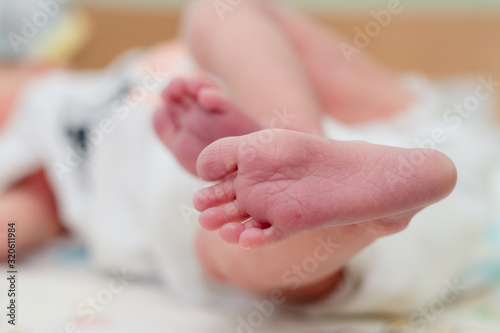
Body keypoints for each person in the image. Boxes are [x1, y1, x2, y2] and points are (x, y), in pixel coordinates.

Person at [0, 0, 493, 316]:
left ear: (36, 63)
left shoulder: (73, 84)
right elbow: (16, 231)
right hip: (229, 212)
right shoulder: (33, 173)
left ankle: (296, 143)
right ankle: (323, 203)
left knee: (220, 10)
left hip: (357, 123)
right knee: (226, 249)